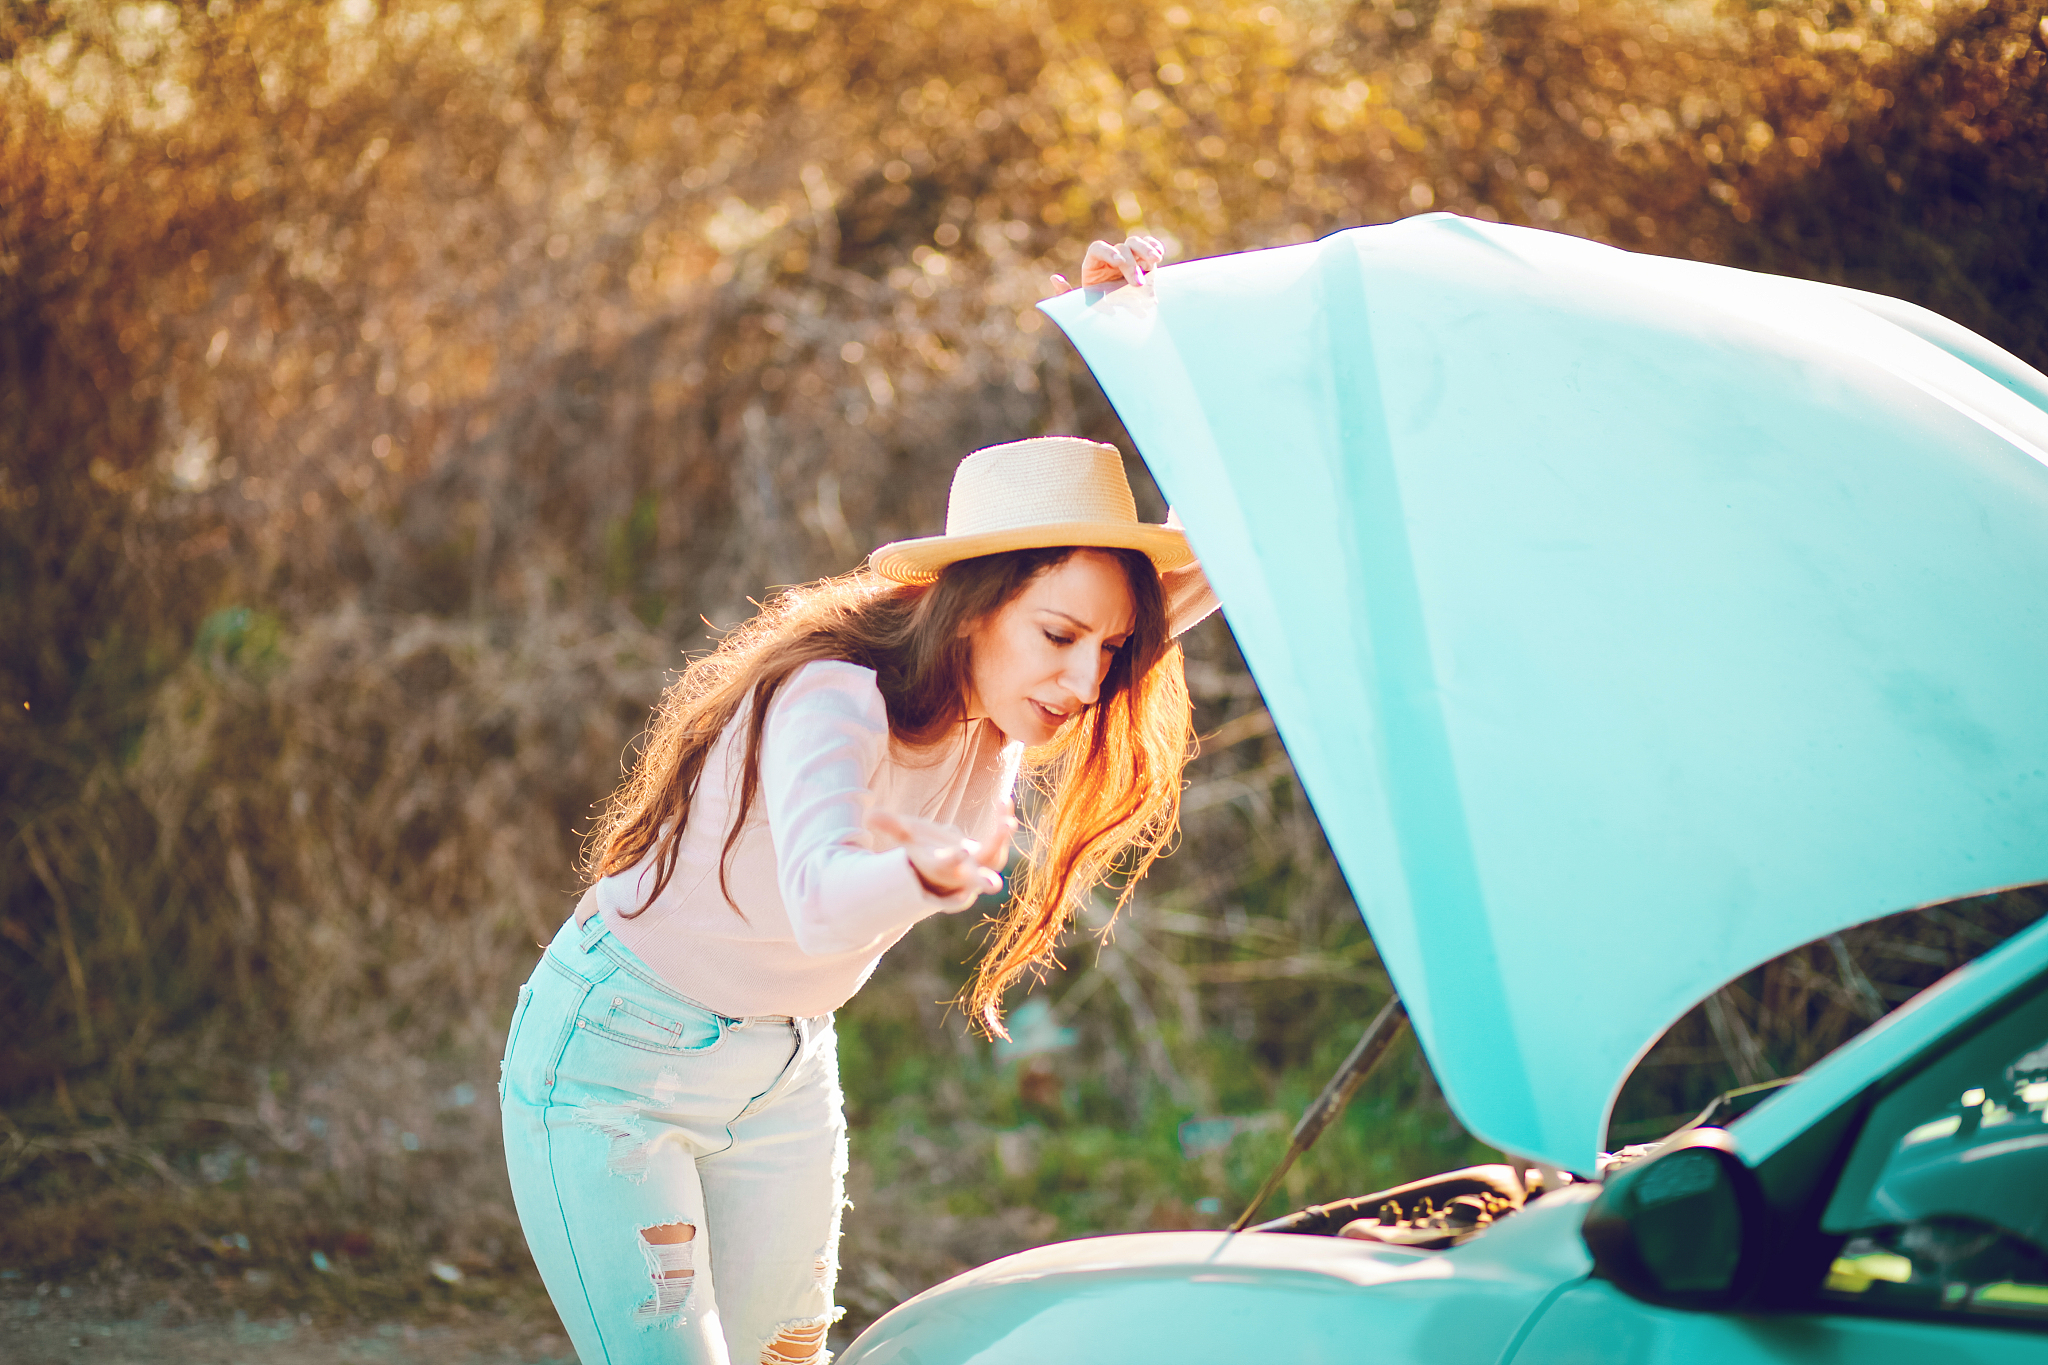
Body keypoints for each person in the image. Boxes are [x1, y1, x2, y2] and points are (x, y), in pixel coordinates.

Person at [498, 236, 1207, 1365]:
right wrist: (916, 873)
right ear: (972, 606)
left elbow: (1234, 542)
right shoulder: (827, 701)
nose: (1083, 683)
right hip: (615, 1062)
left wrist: (1150, 331)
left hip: (783, 1066)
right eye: (1060, 637)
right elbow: (825, 896)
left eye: (1110, 649)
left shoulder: (998, 709)